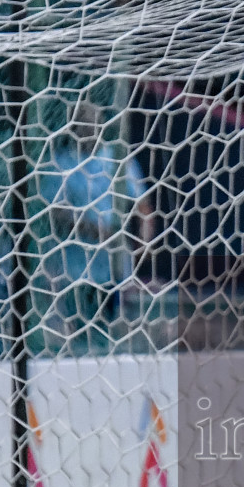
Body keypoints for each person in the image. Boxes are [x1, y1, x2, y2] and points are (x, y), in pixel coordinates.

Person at [34, 99, 155, 350]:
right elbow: (52, 211)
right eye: (80, 124)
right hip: (75, 270)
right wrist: (87, 228)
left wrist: (143, 245)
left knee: (116, 334)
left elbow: (144, 207)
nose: (86, 129)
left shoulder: (118, 159)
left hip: (113, 268)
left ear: (101, 125)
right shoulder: (61, 163)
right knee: (80, 338)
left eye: (91, 123)